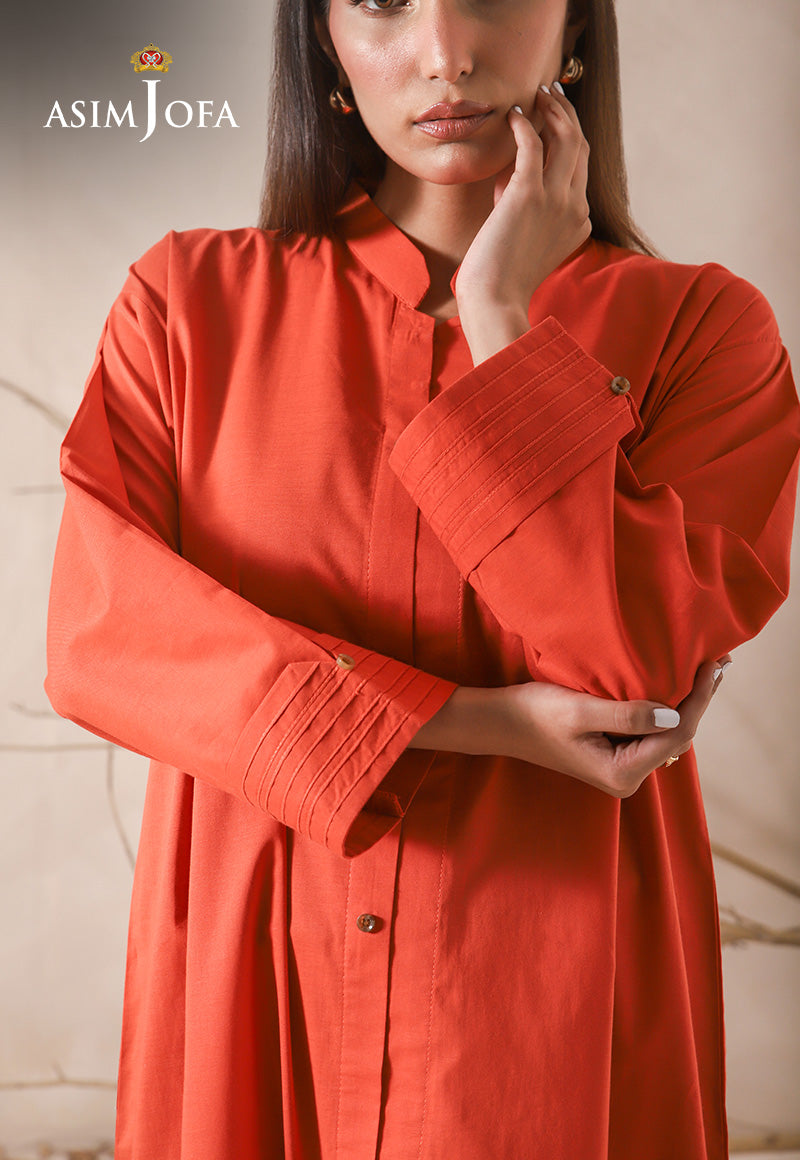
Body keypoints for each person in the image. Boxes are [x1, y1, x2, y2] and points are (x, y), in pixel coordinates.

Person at [44, 0, 799, 1155]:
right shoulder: (187, 304)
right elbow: (107, 634)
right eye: (383, 1)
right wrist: (474, 721)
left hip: (545, 989)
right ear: (322, 40)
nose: (446, 51)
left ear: (573, 24)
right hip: (255, 974)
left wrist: (502, 322)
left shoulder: (701, 330)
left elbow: (628, 666)